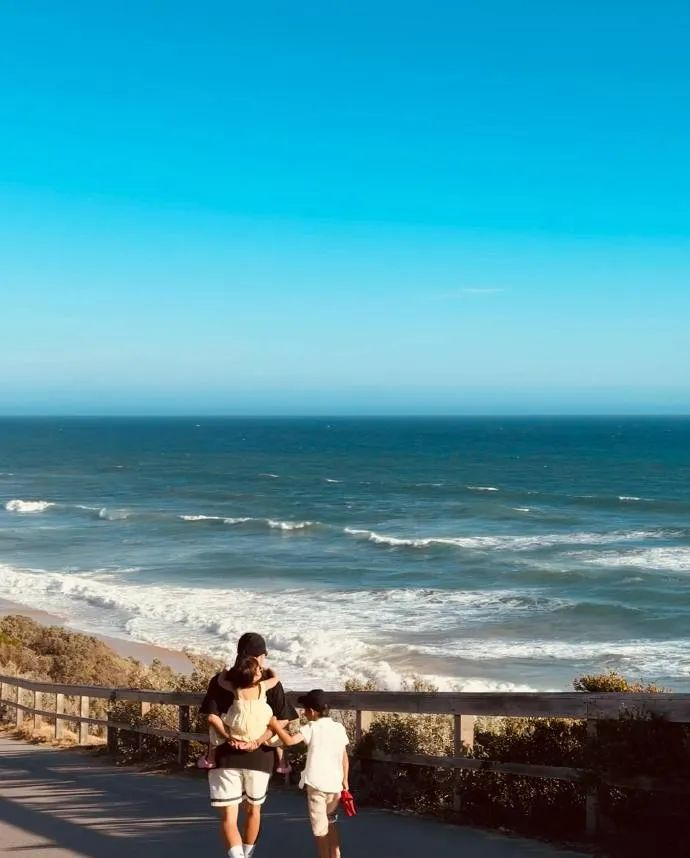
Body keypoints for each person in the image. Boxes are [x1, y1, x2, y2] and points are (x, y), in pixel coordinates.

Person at [200, 632, 297, 858]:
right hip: (260, 756)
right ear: (259, 657)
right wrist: (258, 740)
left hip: (226, 755)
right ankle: (247, 854)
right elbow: (283, 719)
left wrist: (229, 737)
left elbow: (211, 716)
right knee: (254, 810)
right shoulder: (267, 683)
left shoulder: (222, 681)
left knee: (229, 817)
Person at [269, 689, 350, 858]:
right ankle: (336, 855)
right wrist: (345, 781)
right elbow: (344, 757)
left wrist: (275, 726)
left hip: (316, 785)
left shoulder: (311, 727)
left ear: (312, 711)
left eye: (305, 710)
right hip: (335, 784)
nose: (304, 713)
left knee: (320, 830)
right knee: (331, 822)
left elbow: (289, 741)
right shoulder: (339, 728)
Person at [199, 655, 281, 769]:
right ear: (257, 675)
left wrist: (225, 670)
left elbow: (221, 681)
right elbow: (276, 679)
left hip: (237, 729)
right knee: (278, 724)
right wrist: (269, 669)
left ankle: (210, 759)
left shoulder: (236, 689)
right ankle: (282, 762)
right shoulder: (262, 686)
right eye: (259, 669)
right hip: (259, 729)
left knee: (214, 727)